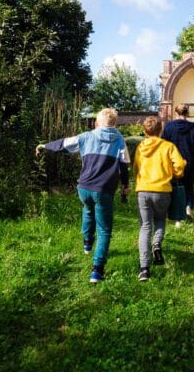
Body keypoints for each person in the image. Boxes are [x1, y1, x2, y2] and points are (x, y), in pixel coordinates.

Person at [35, 108, 130, 284]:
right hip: (104, 190)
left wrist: (44, 146)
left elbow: (64, 144)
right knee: (104, 230)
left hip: (84, 188)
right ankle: (97, 271)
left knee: (88, 208)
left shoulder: (87, 136)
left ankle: (87, 243)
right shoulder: (120, 140)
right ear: (115, 124)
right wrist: (125, 185)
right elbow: (124, 166)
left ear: (97, 123)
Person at [133, 116, 186, 281]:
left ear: (144, 131)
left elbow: (135, 167)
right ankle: (156, 244)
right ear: (161, 130)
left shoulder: (140, 147)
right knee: (160, 220)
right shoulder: (168, 146)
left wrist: (139, 181)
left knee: (145, 227)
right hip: (162, 190)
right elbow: (179, 165)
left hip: (143, 190)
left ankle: (144, 269)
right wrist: (176, 173)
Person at [161, 104, 194, 221]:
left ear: (176, 113)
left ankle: (177, 216)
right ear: (187, 113)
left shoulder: (168, 127)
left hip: (173, 162)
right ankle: (188, 207)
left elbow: (163, 145)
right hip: (191, 162)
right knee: (189, 186)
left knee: (175, 187)